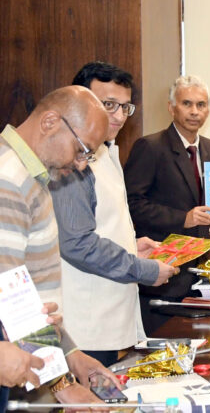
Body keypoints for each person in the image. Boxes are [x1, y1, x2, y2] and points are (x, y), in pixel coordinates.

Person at [0, 86, 122, 410]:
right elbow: (9, 300)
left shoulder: (31, 178)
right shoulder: (8, 179)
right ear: (50, 122)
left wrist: (70, 354)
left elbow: (34, 292)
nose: (81, 165)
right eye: (81, 150)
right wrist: (63, 385)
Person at [49, 62, 178, 367]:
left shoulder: (106, 152)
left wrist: (134, 247)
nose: (119, 116)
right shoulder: (71, 161)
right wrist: (144, 270)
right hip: (83, 328)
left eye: (125, 107)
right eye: (109, 105)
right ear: (79, 101)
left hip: (110, 318)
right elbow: (77, 243)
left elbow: (105, 224)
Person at [124, 75, 210, 334]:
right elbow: (132, 205)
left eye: (201, 105)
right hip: (161, 273)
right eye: (187, 104)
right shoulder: (150, 147)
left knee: (196, 350)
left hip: (197, 274)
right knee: (162, 352)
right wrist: (183, 218)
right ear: (172, 107)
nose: (195, 111)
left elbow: (208, 207)